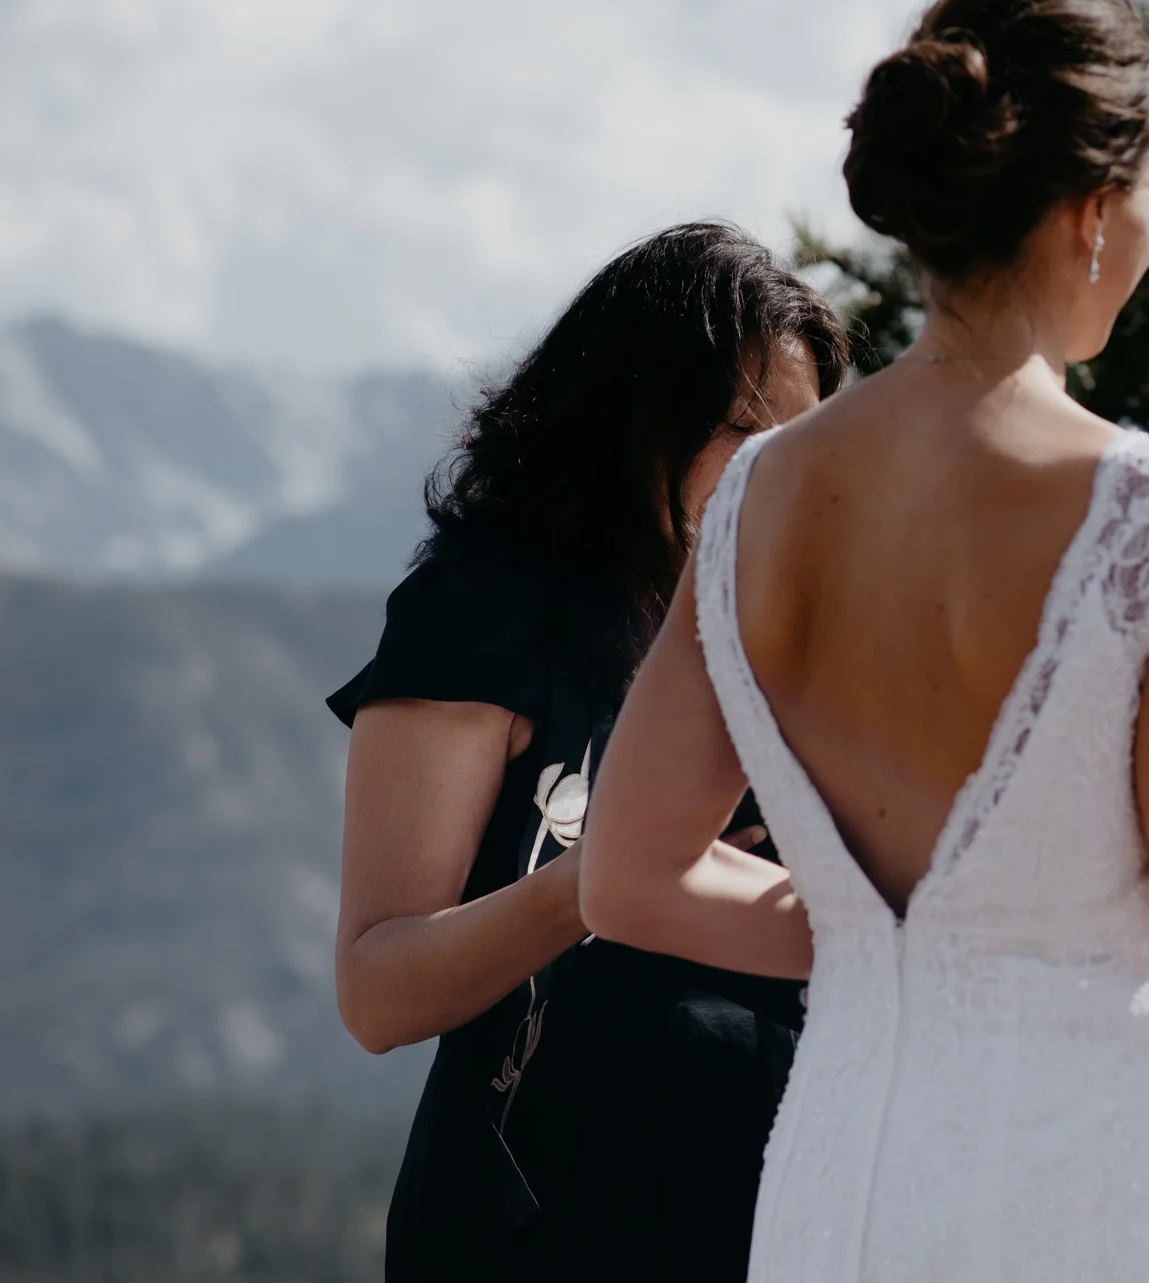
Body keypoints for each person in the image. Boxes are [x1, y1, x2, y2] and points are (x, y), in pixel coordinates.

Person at [578, 0, 1149, 1283]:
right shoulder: (1145, 506)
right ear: (1093, 211)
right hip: (1077, 1180)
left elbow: (625, 878)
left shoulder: (755, 498)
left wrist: (886, 949)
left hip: (835, 1181)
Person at [330, 222, 844, 1282]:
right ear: (637, 413)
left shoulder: (788, 626)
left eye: (800, 443)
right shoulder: (483, 608)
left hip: (787, 1203)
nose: (773, 473)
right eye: (743, 428)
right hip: (551, 1217)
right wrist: (600, 878)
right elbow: (378, 991)